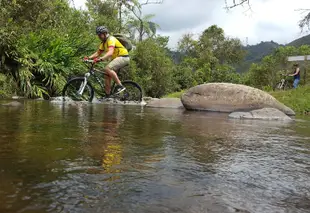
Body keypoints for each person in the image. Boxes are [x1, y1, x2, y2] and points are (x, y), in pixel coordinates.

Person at [85, 26, 129, 96]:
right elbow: (98, 53)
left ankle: (120, 86)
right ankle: (107, 95)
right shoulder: (103, 43)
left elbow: (110, 52)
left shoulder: (111, 39)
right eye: (98, 35)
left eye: (100, 35)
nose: (99, 36)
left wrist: (100, 59)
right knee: (107, 75)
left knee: (107, 68)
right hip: (117, 58)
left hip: (123, 57)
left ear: (105, 33)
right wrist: (88, 58)